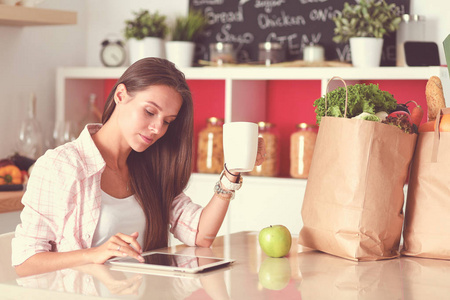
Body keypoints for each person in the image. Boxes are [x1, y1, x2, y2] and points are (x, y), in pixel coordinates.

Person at [12, 58, 266, 277]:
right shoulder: (61, 166)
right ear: (121, 95)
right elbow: (25, 262)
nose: (157, 129)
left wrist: (233, 171)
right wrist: (94, 255)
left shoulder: (151, 168)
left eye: (167, 121)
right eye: (149, 112)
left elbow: (200, 235)